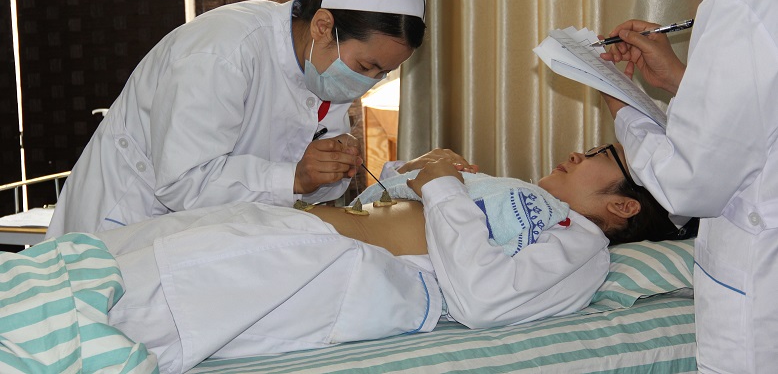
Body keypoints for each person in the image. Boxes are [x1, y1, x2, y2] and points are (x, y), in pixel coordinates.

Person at [68, 142, 676, 373]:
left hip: (325, 266)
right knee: (133, 255)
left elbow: (484, 300)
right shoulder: (527, 197)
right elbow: (407, 196)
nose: (578, 153)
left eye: (601, 154)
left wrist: (443, 187)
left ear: (624, 206)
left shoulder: (581, 246)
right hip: (301, 229)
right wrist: (424, 172)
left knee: (151, 297)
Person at [46, 0, 427, 238]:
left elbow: (301, 183)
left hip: (207, 232)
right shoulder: (223, 52)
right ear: (323, 26)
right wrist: (295, 176)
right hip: (127, 220)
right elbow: (183, 182)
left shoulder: (324, 69)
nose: (368, 82)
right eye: (366, 66)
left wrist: (329, 168)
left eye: (382, 73)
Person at [598, 0, 778, 372]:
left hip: (758, 307)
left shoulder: (743, 2)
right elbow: (761, 116)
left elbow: (688, 184)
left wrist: (624, 106)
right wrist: (682, 80)